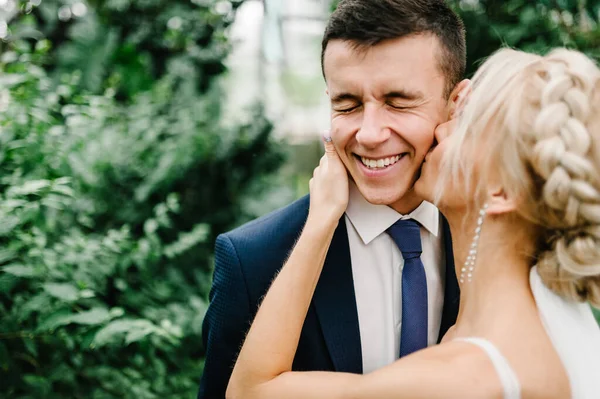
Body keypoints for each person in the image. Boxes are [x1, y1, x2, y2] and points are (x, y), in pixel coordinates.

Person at [226, 47, 600, 398]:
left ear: (502, 191)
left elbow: (250, 391)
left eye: (466, 126)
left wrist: (322, 217)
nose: (442, 129)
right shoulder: (531, 333)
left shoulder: (462, 375)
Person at [198, 1, 469, 398]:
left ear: (455, 103)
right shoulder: (252, 260)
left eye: (397, 101)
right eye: (348, 104)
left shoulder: (497, 239)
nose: (370, 134)